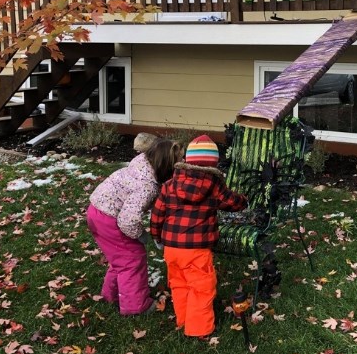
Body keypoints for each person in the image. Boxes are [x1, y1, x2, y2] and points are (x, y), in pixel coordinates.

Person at [150, 134, 247, 339]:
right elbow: (231, 202)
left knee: (179, 283)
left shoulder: (170, 184)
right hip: (196, 250)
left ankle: (183, 319)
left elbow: (157, 213)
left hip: (172, 249)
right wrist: (243, 200)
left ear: (187, 160)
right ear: (213, 162)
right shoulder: (213, 185)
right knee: (201, 288)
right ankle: (198, 329)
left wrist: (157, 236)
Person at [87, 138, 183, 316]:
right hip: (110, 219)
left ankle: (111, 295)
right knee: (132, 260)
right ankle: (135, 306)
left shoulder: (140, 165)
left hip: (95, 211)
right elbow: (128, 220)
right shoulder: (146, 187)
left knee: (120, 259)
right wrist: (141, 235)